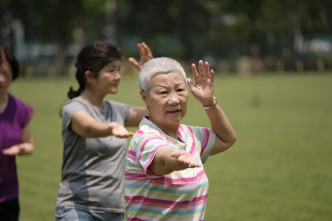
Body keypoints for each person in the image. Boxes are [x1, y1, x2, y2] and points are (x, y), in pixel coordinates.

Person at [124, 57, 237, 220]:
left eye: (180, 90)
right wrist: (178, 159)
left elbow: (227, 138)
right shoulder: (145, 137)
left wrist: (208, 102)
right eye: (163, 92)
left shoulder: (191, 135)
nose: (174, 99)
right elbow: (163, 161)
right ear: (145, 97)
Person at [55, 41, 152, 221]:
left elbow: (157, 114)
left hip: (114, 212)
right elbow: (88, 128)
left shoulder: (116, 110)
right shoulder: (73, 108)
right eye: (111, 70)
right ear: (90, 76)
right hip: (77, 210)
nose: (117, 76)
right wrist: (110, 128)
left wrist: (150, 75)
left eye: (118, 69)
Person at [0, 47, 34, 221]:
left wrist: (21, 148)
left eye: (5, 73)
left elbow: (29, 144)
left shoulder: (20, 109)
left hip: (9, 195)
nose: (1, 79)